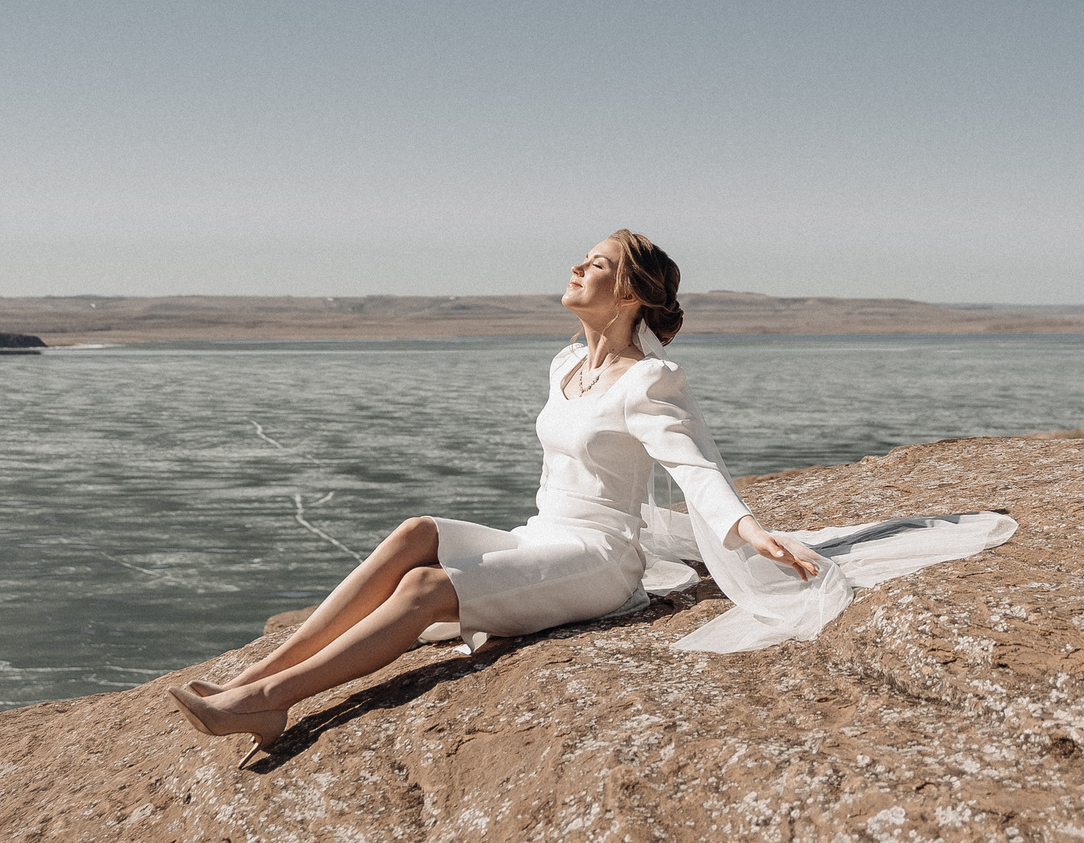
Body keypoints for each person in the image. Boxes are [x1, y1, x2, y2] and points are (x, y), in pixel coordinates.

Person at [169, 229, 823, 762]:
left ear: (627, 292)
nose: (575, 265)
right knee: (415, 532)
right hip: (541, 533)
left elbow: (696, 466)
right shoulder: (565, 365)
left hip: (600, 557)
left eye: (594, 262)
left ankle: (275, 698)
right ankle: (248, 683)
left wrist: (747, 529)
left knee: (424, 589)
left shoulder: (649, 381)